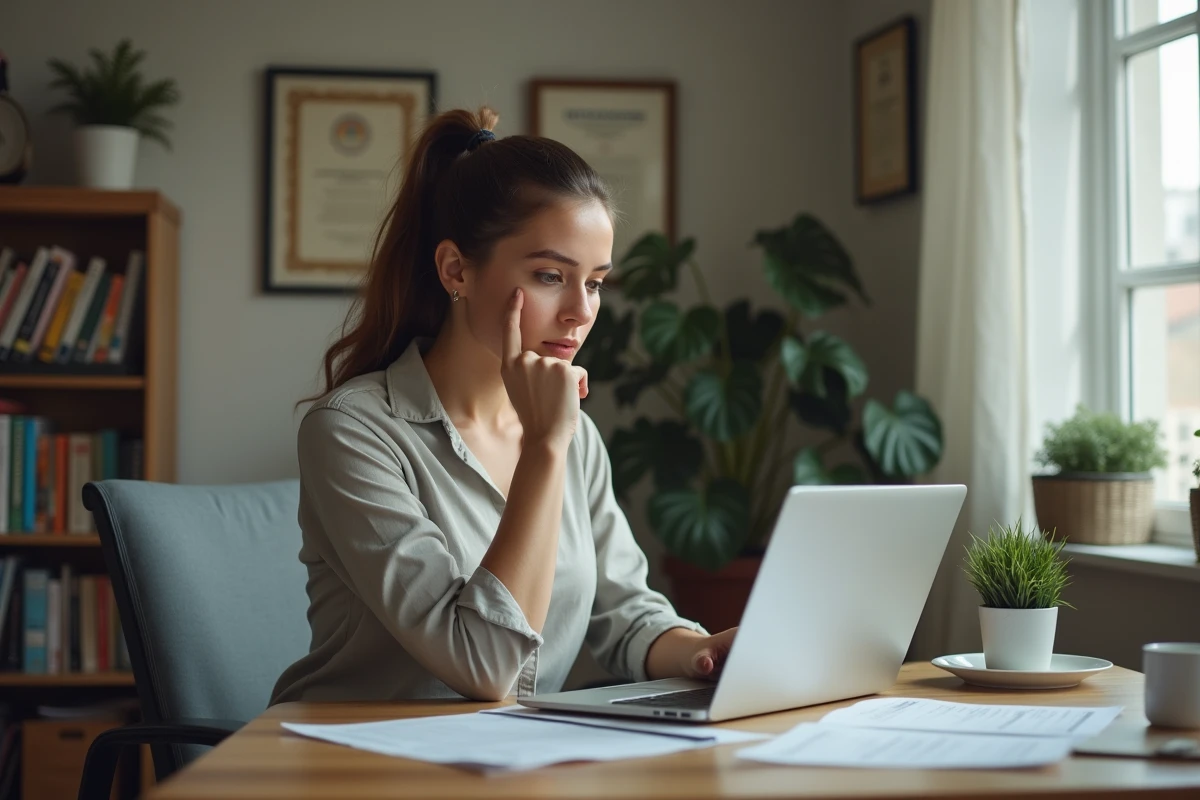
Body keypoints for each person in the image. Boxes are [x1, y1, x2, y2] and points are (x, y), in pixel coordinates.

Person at [270, 106, 736, 705]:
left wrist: (706, 651)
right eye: (550, 275)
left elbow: (622, 612)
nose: (581, 311)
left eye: (593, 282)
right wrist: (544, 448)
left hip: (508, 761)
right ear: (456, 270)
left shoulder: (574, 435)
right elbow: (484, 666)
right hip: (353, 761)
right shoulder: (354, 432)